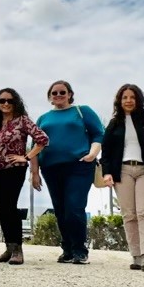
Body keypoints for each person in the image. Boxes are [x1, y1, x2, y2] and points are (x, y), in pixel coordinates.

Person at [100, 84, 144, 273]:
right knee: (129, 214)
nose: (128, 100)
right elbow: (105, 151)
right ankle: (136, 255)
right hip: (122, 171)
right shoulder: (115, 124)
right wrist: (107, 173)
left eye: (132, 97)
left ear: (138, 100)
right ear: (119, 101)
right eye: (125, 97)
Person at [34, 80, 104, 265]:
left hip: (79, 166)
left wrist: (92, 153)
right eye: (54, 93)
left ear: (70, 94)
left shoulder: (82, 111)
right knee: (60, 210)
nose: (58, 95)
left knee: (75, 207)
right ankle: (67, 249)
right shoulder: (43, 118)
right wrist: (34, 173)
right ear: (49, 97)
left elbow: (98, 133)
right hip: (50, 168)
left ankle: (80, 250)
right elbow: (36, 145)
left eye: (62, 92)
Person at [0, 88, 49, 265]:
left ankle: (18, 249)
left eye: (10, 101)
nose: (6, 104)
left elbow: (42, 139)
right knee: (2, 208)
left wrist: (26, 157)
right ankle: (9, 247)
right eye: (2, 101)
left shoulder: (22, 121)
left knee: (10, 206)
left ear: (16, 103)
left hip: (14, 168)